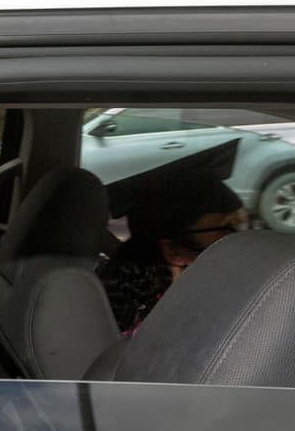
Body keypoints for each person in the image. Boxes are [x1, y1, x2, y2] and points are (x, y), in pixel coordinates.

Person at [98, 139, 248, 333]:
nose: (243, 238)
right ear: (173, 252)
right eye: (227, 227)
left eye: (244, 224)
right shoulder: (162, 325)